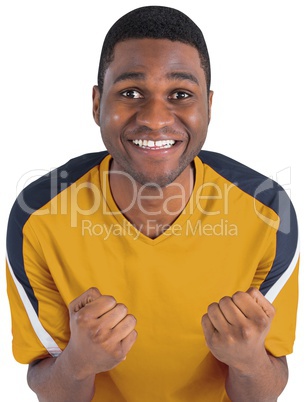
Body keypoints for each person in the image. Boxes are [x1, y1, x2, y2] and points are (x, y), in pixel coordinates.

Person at [5, 5, 299, 402]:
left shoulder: (269, 214)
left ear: (208, 106)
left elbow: (264, 391)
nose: (156, 119)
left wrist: (248, 361)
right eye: (130, 92)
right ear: (97, 105)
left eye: (180, 94)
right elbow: (47, 384)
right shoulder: (37, 218)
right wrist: (77, 362)